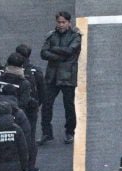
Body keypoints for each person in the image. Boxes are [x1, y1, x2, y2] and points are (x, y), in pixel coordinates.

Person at [39, 11, 82, 145]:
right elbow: (43, 53)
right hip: (52, 76)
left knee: (68, 106)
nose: (61, 24)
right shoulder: (51, 35)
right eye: (59, 22)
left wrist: (54, 49)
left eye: (63, 22)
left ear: (69, 22)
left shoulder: (75, 36)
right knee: (46, 105)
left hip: (67, 75)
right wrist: (60, 56)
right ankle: (46, 133)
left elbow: (71, 51)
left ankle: (70, 132)